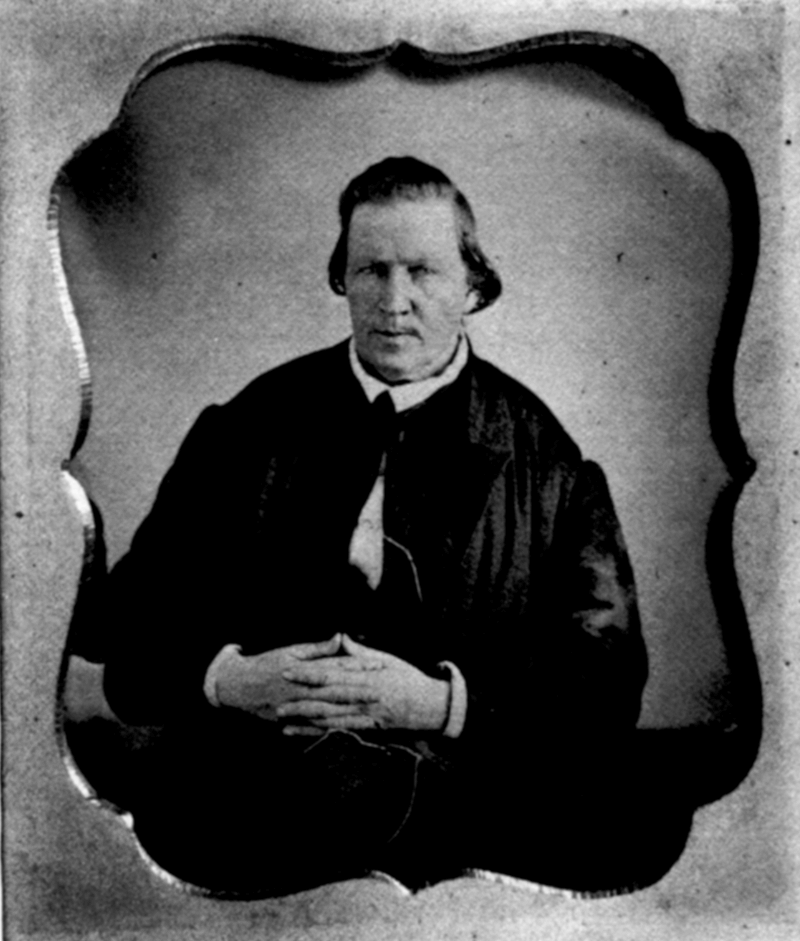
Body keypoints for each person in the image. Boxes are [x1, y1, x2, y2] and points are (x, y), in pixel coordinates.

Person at [99, 156, 655, 898]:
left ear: (473, 286)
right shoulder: (248, 427)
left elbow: (606, 688)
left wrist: (441, 704)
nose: (394, 302)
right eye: (371, 270)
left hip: (467, 839)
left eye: (423, 271)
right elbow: (126, 637)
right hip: (256, 823)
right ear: (343, 278)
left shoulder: (548, 462)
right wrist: (229, 679)